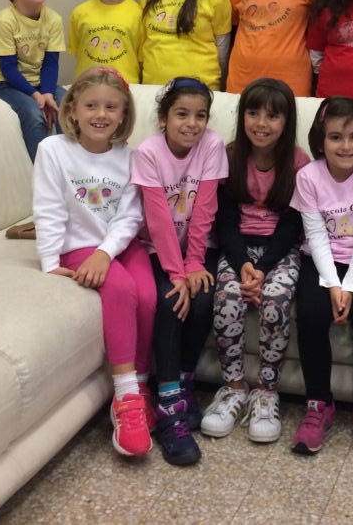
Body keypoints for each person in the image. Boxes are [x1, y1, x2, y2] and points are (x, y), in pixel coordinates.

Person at [32, 67, 156, 457]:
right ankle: (126, 399)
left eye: (111, 107)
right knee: (120, 288)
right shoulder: (52, 150)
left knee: (149, 295)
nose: (101, 114)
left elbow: (130, 216)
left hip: (119, 244)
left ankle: (140, 384)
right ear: (72, 109)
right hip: (78, 245)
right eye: (91, 106)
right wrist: (49, 261)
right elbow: (48, 210)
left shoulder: (131, 157)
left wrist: (106, 252)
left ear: (123, 115)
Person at [201, 78, 309, 443]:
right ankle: (233, 388)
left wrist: (261, 270)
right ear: (242, 116)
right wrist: (242, 264)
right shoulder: (229, 156)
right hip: (237, 249)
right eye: (253, 113)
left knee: (275, 301)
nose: (261, 123)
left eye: (273, 116)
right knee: (226, 298)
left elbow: (292, 226)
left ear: (287, 121)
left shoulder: (298, 162)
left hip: (280, 250)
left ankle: (267, 392)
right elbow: (224, 220)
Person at [130, 77, 228, 466]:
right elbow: (156, 218)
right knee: (171, 300)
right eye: (182, 114)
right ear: (163, 118)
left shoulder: (212, 145)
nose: (192, 124)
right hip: (157, 248)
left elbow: (204, 209)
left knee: (203, 298)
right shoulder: (147, 153)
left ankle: (185, 383)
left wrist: (194, 265)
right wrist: (176, 274)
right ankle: (169, 405)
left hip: (196, 250)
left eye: (200, 115)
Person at [290, 96, 353, 459]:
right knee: (312, 315)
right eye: (336, 137)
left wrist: (349, 287)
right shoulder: (308, 176)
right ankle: (319, 404)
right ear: (320, 142)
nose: (346, 146)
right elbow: (315, 236)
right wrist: (333, 284)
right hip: (321, 261)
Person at [0, 0, 66, 162]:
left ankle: (70, 165)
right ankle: (43, 170)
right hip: (4, 84)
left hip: (39, 83)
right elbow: (8, 69)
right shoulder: (4, 20)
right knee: (34, 113)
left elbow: (51, 64)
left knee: (68, 105)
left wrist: (47, 92)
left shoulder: (53, 19)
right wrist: (36, 96)